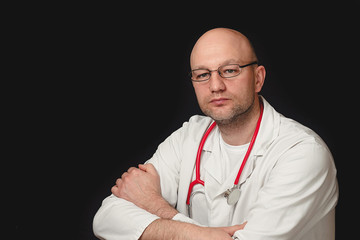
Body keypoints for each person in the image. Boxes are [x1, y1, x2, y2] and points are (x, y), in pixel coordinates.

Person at [93, 28, 338, 240]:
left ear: (258, 78)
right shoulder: (188, 137)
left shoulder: (302, 153)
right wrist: (204, 235)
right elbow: (105, 218)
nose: (215, 85)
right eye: (202, 74)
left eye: (230, 70)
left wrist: (158, 209)